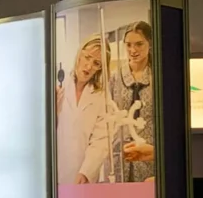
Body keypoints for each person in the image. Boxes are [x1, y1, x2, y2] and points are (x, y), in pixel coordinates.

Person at [57, 35, 110, 185]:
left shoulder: (101, 96)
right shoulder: (58, 86)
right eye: (87, 57)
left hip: (83, 176)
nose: (88, 66)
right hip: (56, 171)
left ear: (101, 68)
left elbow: (101, 140)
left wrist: (86, 171)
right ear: (79, 54)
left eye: (96, 63)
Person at [108, 21, 154, 183]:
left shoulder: (159, 77)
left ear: (150, 43)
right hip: (120, 157)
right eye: (128, 45)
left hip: (149, 157)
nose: (133, 50)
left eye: (139, 44)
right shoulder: (115, 78)